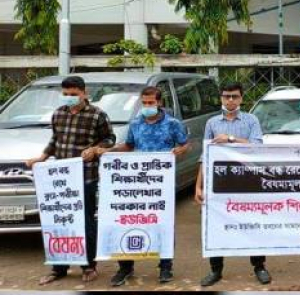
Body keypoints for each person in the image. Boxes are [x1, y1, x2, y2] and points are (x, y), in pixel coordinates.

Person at [26, 76, 116, 285]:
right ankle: (59, 268)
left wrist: (95, 149)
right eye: (65, 94)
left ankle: (89, 267)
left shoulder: (97, 115)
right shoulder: (58, 114)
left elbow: (110, 139)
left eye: (73, 94)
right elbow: (54, 141)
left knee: (85, 223)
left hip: (86, 176)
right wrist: (41, 157)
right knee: (59, 221)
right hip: (61, 179)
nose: (69, 98)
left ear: (84, 93)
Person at [96, 86, 189, 286]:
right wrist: (110, 151)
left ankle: (165, 267)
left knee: (163, 223)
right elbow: (128, 145)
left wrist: (179, 151)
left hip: (161, 183)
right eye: (144, 103)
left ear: (159, 102)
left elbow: (185, 144)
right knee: (127, 220)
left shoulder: (173, 124)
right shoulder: (136, 123)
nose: (147, 106)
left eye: (151, 103)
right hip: (135, 182)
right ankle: (125, 267)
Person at [195, 81, 270, 287]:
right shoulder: (212, 123)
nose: (230, 100)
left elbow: (257, 146)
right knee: (216, 226)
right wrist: (198, 186)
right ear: (221, 98)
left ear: (241, 98)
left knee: (253, 224)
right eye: (226, 96)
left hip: (247, 181)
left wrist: (230, 138)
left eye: (234, 96)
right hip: (219, 184)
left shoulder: (251, 120)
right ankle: (216, 270)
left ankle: (259, 267)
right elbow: (205, 155)